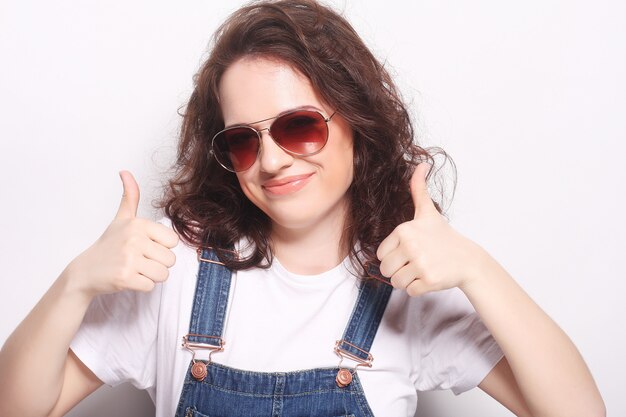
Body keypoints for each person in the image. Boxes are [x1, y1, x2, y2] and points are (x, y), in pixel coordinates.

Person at [0, 0, 605, 416]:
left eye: (298, 127)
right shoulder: (174, 267)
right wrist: (75, 282)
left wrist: (477, 269)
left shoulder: (408, 286)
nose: (270, 161)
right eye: (242, 139)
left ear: (357, 122)